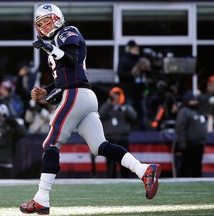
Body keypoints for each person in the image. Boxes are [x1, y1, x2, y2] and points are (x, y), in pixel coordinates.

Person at [20, 4, 161, 215]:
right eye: (40, 23)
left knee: (50, 142)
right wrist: (46, 90)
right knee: (100, 146)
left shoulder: (68, 32)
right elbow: (66, 74)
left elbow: (72, 59)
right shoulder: (57, 41)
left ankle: (41, 199)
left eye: (47, 20)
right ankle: (144, 170)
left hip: (75, 94)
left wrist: (49, 48)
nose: (44, 26)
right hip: (82, 95)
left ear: (57, 19)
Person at [99, 87, 137, 178]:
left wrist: (123, 109)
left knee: (125, 161)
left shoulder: (125, 107)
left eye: (118, 95)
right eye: (114, 95)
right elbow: (101, 115)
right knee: (111, 164)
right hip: (110, 139)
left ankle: (126, 179)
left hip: (123, 139)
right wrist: (109, 104)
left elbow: (134, 117)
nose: (116, 97)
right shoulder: (107, 107)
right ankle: (110, 179)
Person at [0, 104, 28, 179]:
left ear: (4, 116)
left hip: (5, 163)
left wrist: (13, 122)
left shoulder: (10, 128)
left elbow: (23, 133)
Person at [175, 91, 207, 177]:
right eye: (192, 100)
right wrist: (182, 142)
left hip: (199, 144)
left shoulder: (199, 111)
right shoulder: (184, 111)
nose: (195, 102)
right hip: (189, 144)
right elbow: (180, 127)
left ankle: (198, 184)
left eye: (195, 100)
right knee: (186, 167)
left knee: (197, 167)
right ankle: (181, 183)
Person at [117, 40, 148, 130]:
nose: (136, 50)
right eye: (134, 48)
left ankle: (144, 129)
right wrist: (132, 74)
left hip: (140, 92)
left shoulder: (140, 60)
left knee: (143, 111)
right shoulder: (124, 60)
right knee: (129, 111)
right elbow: (121, 74)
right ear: (129, 49)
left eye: (137, 49)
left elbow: (147, 75)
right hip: (129, 92)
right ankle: (128, 128)